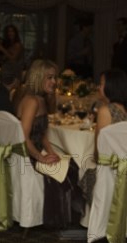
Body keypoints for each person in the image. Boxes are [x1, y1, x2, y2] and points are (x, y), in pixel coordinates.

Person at [15, 59, 83, 229]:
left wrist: (52, 152)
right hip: (26, 155)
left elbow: (42, 134)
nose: (54, 82)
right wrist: (41, 158)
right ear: (38, 78)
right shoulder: (31, 101)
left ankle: (71, 217)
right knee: (69, 172)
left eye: (55, 78)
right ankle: (61, 219)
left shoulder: (41, 100)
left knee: (72, 164)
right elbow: (23, 137)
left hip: (35, 152)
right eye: (50, 78)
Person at [79, 68, 127, 204]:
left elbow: (99, 154)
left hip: (112, 174)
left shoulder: (106, 111)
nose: (98, 87)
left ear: (111, 87)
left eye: (101, 84)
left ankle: (95, 216)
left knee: (82, 165)